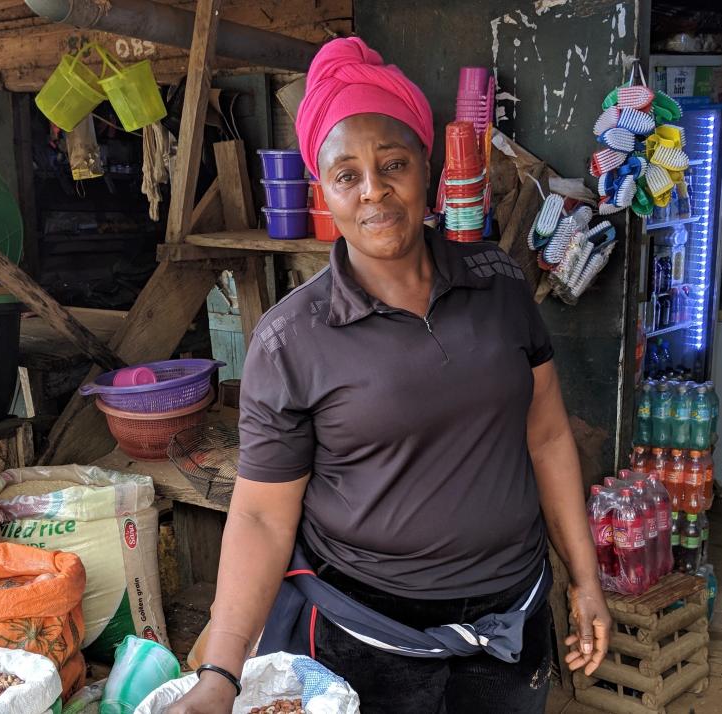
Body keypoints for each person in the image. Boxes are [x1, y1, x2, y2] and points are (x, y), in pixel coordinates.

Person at [168, 37, 610, 714]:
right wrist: (221, 675)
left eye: (392, 163)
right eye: (347, 175)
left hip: (509, 623)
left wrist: (585, 580)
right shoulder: (292, 339)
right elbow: (259, 516)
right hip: (364, 641)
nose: (374, 190)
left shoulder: (498, 287)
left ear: (426, 168)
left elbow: (547, 436)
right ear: (324, 192)